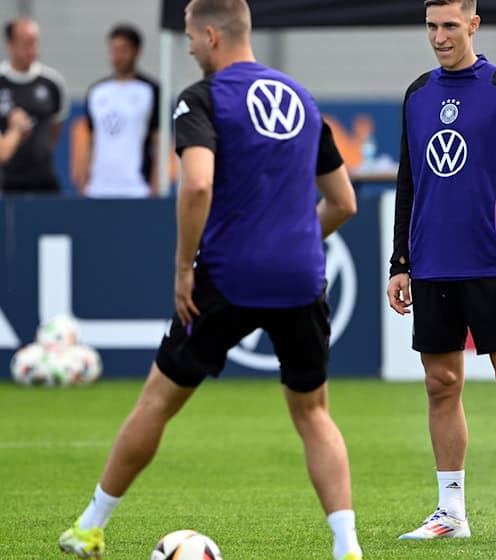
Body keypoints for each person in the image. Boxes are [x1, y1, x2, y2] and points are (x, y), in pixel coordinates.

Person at [59, 1, 363, 559]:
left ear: (211, 34)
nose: (191, 48)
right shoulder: (301, 98)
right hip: (300, 277)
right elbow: (343, 202)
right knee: (314, 414)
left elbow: (197, 184)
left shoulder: (202, 98)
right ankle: (348, 549)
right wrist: (295, 241)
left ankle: (88, 529)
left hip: (227, 275)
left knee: (157, 401)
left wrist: (182, 267)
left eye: (192, 39)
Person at [387, 0, 496, 542]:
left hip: (492, 263)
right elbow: (408, 183)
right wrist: (400, 262)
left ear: (473, 25)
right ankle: (450, 513)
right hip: (432, 266)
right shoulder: (417, 94)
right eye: (432, 26)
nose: (439, 36)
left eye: (450, 26)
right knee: (441, 384)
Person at [73, 24, 161, 198]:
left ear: (136, 51)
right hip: (98, 188)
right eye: (114, 50)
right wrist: (83, 181)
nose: (117, 56)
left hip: (136, 187)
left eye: (123, 50)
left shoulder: (150, 90)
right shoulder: (97, 91)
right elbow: (89, 138)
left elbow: (159, 140)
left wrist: (155, 185)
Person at [0, 17, 67, 195]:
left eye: (35, 42)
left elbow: (55, 130)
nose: (32, 49)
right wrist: (16, 130)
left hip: (44, 181)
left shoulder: (52, 82)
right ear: (10, 44)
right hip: (8, 184)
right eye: (25, 43)